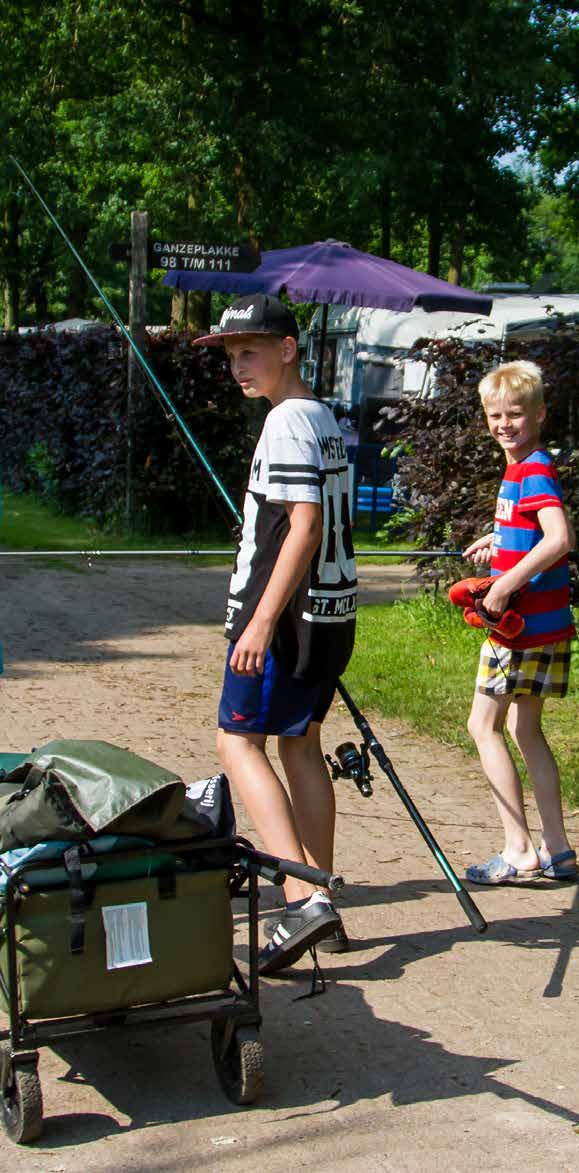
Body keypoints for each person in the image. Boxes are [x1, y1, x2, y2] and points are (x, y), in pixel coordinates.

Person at [193, 294, 357, 972]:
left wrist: (259, 619)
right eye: (231, 355)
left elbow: (305, 524)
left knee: (237, 742)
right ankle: (321, 896)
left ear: (288, 349)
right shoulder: (322, 417)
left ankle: (299, 900)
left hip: (283, 622)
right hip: (329, 617)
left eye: (250, 351)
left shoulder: (286, 420)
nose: (238, 366)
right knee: (300, 746)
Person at [460, 360, 578, 885]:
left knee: (481, 725)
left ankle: (518, 851)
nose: (504, 423)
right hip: (545, 625)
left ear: (539, 414)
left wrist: (504, 586)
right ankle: (558, 850)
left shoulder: (533, 468)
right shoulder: (521, 467)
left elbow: (558, 539)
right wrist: (499, 538)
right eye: (495, 415)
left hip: (520, 625)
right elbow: (529, 526)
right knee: (524, 729)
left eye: (515, 414)